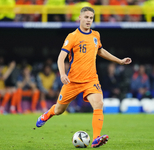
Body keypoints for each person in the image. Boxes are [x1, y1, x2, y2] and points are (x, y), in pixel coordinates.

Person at [36, 7, 132, 148]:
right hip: (73, 81)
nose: (88, 20)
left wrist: (119, 61)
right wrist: (62, 74)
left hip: (91, 80)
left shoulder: (96, 35)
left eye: (91, 18)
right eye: (86, 17)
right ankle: (46, 115)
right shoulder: (72, 36)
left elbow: (100, 51)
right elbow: (61, 57)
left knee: (98, 104)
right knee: (59, 110)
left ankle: (96, 139)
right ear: (79, 18)